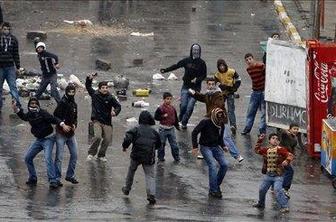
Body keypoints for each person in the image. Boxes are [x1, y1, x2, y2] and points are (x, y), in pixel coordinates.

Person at [12, 97, 71, 188]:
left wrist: (63, 124)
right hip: (39, 140)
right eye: (32, 103)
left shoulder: (43, 113)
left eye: (35, 103)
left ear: (38, 105)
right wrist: (16, 109)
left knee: (48, 159)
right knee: (28, 158)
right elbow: (24, 117)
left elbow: (53, 119)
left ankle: (53, 180)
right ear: (29, 105)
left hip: (49, 139)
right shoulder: (30, 114)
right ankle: (33, 178)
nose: (34, 105)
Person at [189, 77, 244, 162]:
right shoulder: (208, 94)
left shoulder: (219, 95)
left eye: (212, 84)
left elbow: (217, 105)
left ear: (215, 85)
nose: (211, 86)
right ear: (207, 85)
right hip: (210, 119)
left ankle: (237, 155)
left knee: (225, 137)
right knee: (205, 135)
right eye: (209, 84)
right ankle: (204, 153)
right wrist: (194, 94)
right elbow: (203, 98)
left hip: (221, 119)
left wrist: (207, 115)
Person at [160, 43, 207, 129]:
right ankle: (181, 117)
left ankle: (184, 123)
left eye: (197, 50)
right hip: (186, 87)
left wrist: (197, 79)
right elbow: (176, 66)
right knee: (184, 105)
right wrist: (165, 70)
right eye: (194, 50)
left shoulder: (202, 63)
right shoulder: (186, 60)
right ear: (191, 51)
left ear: (199, 51)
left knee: (190, 106)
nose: (195, 51)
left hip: (196, 89)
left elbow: (204, 75)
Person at [121, 111, 161, 205]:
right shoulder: (154, 132)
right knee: (150, 175)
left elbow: (128, 138)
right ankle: (151, 194)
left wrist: (124, 146)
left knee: (131, 171)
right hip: (148, 156)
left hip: (136, 155)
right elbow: (159, 144)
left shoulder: (136, 129)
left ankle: (127, 188)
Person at [191, 108, 228, 198]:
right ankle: (213, 190)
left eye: (221, 119)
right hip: (205, 147)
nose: (219, 122)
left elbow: (220, 138)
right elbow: (194, 132)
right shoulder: (205, 122)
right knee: (213, 166)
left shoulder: (221, 124)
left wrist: (223, 146)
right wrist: (195, 147)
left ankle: (215, 185)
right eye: (218, 119)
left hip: (215, 147)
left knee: (225, 164)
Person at [253, 133, 293, 213]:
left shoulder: (281, 149)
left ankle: (285, 206)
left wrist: (286, 160)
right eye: (273, 138)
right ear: (269, 140)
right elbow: (257, 150)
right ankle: (261, 203)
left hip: (278, 175)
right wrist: (260, 140)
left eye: (277, 139)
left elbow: (290, 155)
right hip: (268, 175)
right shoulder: (266, 150)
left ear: (279, 142)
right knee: (262, 189)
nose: (275, 140)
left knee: (277, 190)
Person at [86, 73, 121, 162]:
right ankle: (91, 153)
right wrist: (89, 79)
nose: (105, 89)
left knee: (107, 139)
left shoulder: (110, 97)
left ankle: (101, 155)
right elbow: (88, 86)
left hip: (107, 121)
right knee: (97, 137)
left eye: (106, 88)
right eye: (103, 88)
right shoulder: (95, 94)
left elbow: (118, 106)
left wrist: (115, 112)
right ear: (99, 88)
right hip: (97, 120)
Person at [53, 84, 79, 184]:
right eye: (69, 92)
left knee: (75, 154)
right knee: (59, 157)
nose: (71, 94)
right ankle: (56, 178)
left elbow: (75, 117)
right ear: (66, 92)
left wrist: (74, 125)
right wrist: (63, 124)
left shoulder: (74, 104)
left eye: (73, 92)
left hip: (71, 134)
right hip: (61, 133)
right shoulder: (62, 103)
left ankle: (70, 175)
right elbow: (55, 116)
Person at [241, 53, 266, 135]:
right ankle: (247, 128)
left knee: (263, 112)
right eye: (247, 60)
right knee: (251, 111)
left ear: (253, 58)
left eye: (250, 59)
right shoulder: (249, 70)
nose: (249, 61)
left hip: (263, 90)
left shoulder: (261, 66)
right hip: (255, 91)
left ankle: (262, 130)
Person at [214, 59, 241, 134]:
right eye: (220, 66)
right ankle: (219, 124)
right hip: (222, 93)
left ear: (225, 65)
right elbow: (216, 83)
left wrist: (235, 88)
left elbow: (238, 79)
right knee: (220, 108)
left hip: (230, 92)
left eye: (223, 65)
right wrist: (222, 87)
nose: (222, 67)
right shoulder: (217, 74)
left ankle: (233, 125)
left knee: (231, 109)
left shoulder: (231, 71)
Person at [0, 22, 22, 112]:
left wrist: (18, 66)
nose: (6, 31)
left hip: (10, 67)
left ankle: (17, 106)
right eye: (4, 29)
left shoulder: (14, 39)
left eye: (8, 29)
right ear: (1, 29)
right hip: (0, 67)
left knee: (13, 87)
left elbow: (16, 54)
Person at [154, 92, 180, 162]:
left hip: (171, 129)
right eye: (167, 99)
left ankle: (176, 157)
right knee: (161, 144)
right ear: (164, 99)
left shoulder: (172, 108)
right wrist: (162, 116)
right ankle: (160, 158)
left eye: (170, 99)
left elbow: (175, 118)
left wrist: (177, 126)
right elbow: (156, 117)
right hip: (163, 129)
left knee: (174, 145)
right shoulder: (160, 108)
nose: (169, 100)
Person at [278, 122, 299, 198]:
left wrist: (293, 155)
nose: (296, 130)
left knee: (281, 172)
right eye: (294, 129)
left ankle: (276, 187)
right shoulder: (286, 135)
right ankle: (285, 188)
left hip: (287, 156)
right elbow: (282, 132)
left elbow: (292, 148)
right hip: (281, 155)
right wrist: (286, 131)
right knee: (289, 171)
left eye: (297, 129)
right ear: (290, 129)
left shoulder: (295, 139)